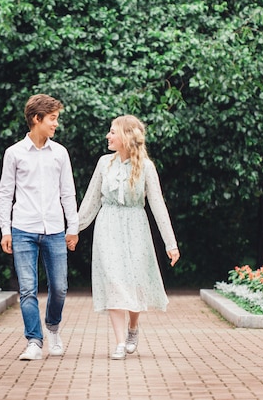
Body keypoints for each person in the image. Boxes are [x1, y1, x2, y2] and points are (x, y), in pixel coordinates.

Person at [77, 114, 180, 360]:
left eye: (113, 132)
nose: (108, 136)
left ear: (126, 136)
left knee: (134, 281)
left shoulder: (146, 166)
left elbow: (157, 205)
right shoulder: (104, 163)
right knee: (113, 280)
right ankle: (120, 342)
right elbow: (91, 201)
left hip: (136, 226)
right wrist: (73, 230)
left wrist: (171, 243)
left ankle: (133, 327)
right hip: (108, 225)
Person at [0, 94, 80, 361]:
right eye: (53, 119)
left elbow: (68, 193)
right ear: (37, 119)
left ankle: (53, 327)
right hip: (22, 229)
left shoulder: (60, 153)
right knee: (28, 289)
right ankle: (34, 340)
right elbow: (5, 193)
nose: (56, 124)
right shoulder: (14, 153)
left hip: (55, 230)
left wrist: (73, 227)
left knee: (60, 287)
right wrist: (5, 230)